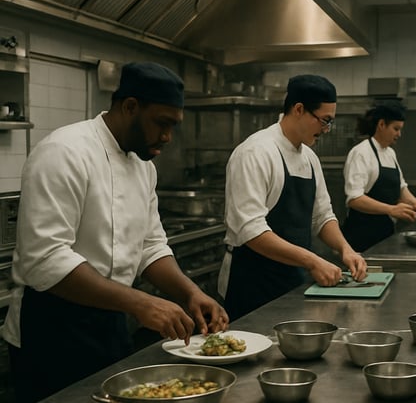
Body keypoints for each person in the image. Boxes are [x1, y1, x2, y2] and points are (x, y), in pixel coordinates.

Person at [1, 62, 229, 403]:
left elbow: (151, 246)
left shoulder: (143, 166)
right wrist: (140, 302)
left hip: (112, 324)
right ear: (130, 107)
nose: (167, 137)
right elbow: (45, 260)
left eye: (173, 126)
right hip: (52, 331)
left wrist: (189, 293)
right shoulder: (63, 152)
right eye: (161, 124)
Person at [218, 74, 367, 321]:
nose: (327, 130)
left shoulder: (309, 158)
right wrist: (312, 261)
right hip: (253, 282)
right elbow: (250, 231)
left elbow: (322, 216)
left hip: (293, 279)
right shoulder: (256, 152)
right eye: (324, 121)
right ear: (299, 109)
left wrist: (345, 249)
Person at [341, 100, 416, 252]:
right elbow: (354, 199)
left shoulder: (390, 153)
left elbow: (401, 189)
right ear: (381, 125)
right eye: (396, 129)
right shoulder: (361, 153)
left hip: (385, 233)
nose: (399, 134)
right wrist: (391, 209)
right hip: (361, 236)